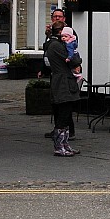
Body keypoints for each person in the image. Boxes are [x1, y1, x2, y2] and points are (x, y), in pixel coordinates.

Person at [40, 8, 79, 139]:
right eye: (55, 16)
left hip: (64, 74)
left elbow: (71, 51)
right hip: (56, 72)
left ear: (64, 19)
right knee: (58, 104)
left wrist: (77, 63)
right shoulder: (52, 37)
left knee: (64, 104)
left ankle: (66, 132)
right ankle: (60, 133)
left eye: (60, 16)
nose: (57, 18)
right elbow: (46, 53)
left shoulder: (67, 33)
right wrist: (43, 69)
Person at [44, 20, 81, 156]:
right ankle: (59, 147)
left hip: (64, 82)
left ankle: (65, 144)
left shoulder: (56, 44)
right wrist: (75, 55)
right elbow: (74, 60)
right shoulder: (56, 46)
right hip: (62, 84)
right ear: (60, 32)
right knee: (62, 115)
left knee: (65, 116)